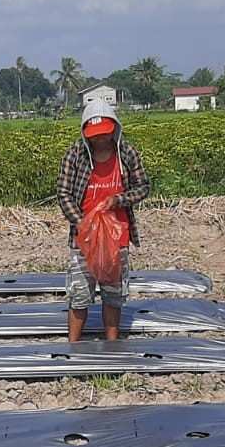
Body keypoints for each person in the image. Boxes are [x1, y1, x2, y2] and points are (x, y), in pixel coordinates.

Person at [56, 97, 150, 342]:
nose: (100, 139)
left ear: (114, 130)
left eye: (104, 134)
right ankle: (73, 346)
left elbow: (143, 187)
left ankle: (112, 345)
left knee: (113, 294)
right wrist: (82, 222)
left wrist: (118, 200)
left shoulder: (126, 154)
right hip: (84, 239)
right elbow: (63, 193)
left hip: (116, 237)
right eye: (94, 135)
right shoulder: (75, 155)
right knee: (79, 294)